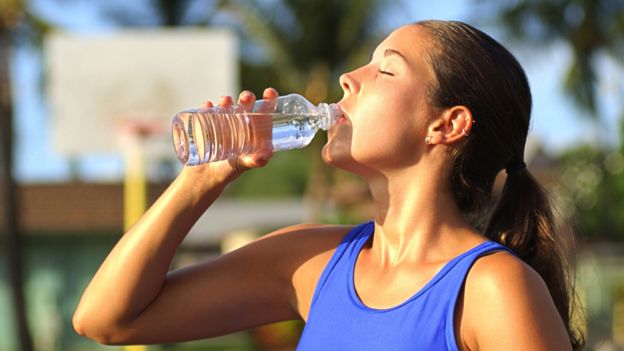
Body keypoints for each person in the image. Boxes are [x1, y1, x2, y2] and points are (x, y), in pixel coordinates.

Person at [73, 20, 583, 350]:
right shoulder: (311, 264)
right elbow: (106, 321)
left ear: (447, 125)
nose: (348, 79)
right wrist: (201, 179)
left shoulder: (492, 289)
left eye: (386, 69)